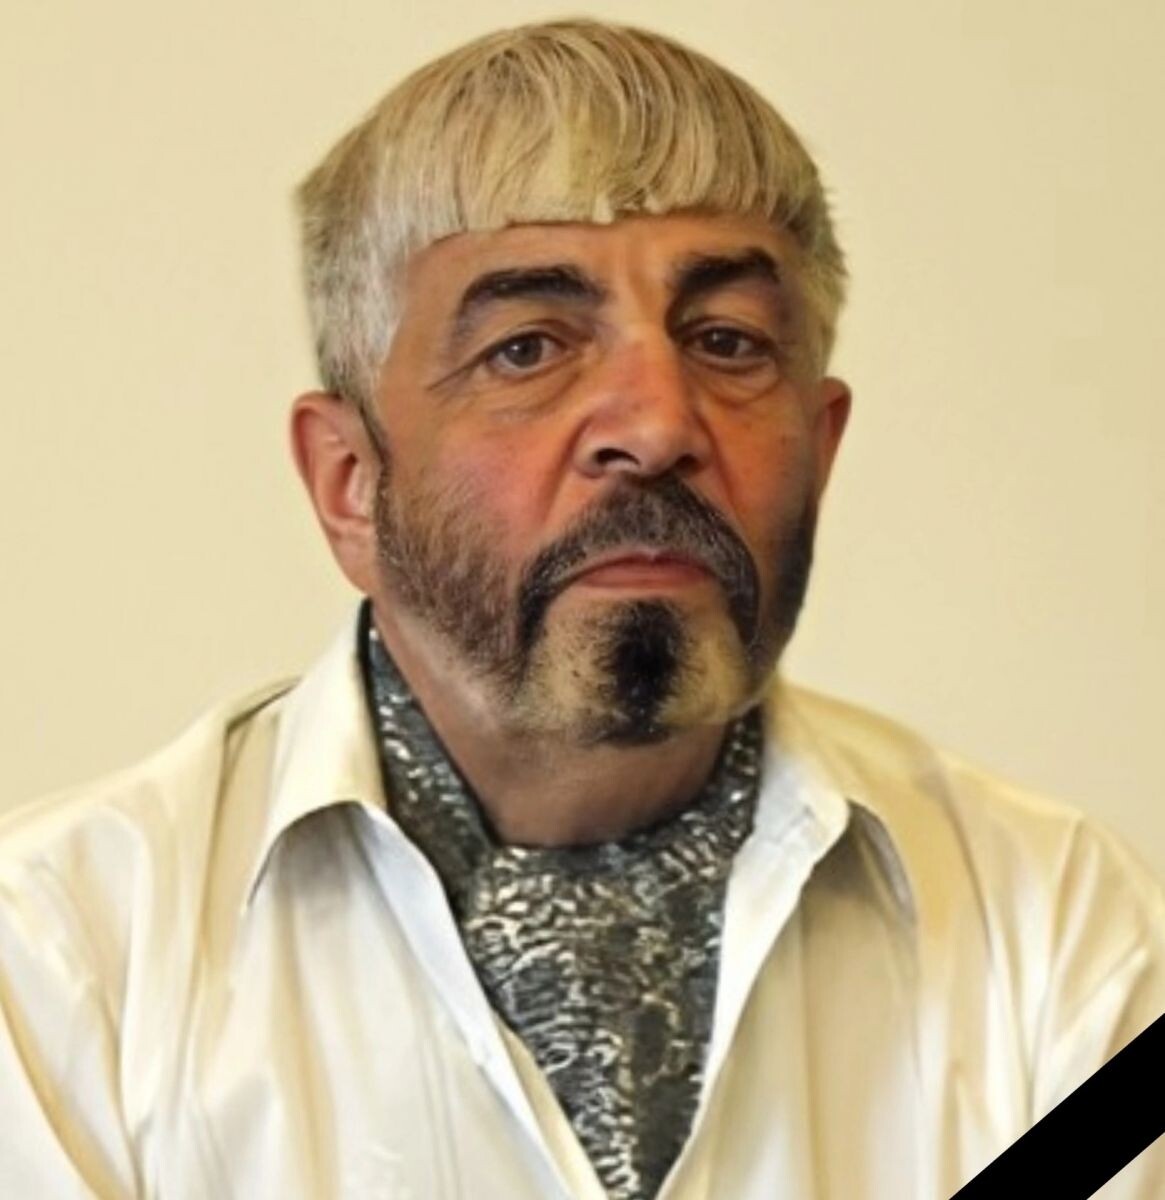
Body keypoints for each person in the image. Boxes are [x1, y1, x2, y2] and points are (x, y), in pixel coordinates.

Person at [1, 19, 1161, 1200]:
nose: (656, 426)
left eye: (726, 341)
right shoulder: (55, 964)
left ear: (819, 451)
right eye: (527, 350)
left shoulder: (1059, 932)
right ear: (350, 483)